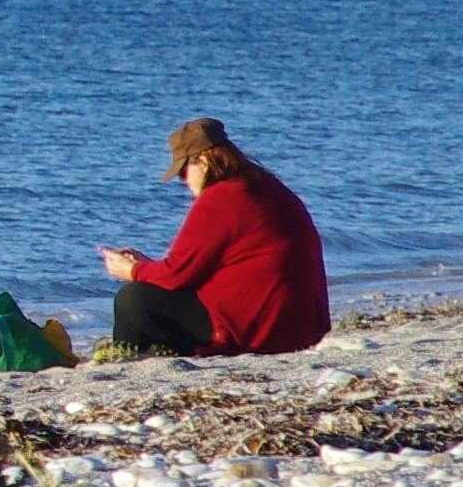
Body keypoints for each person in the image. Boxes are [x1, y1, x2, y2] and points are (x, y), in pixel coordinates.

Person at [100, 117, 331, 356]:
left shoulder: (220, 198)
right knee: (148, 293)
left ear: (202, 160)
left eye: (183, 171)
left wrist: (133, 271)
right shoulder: (264, 184)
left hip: (252, 330)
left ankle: (125, 355)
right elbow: (195, 269)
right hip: (297, 327)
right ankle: (139, 353)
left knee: (133, 299)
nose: (183, 181)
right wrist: (146, 267)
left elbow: (177, 275)